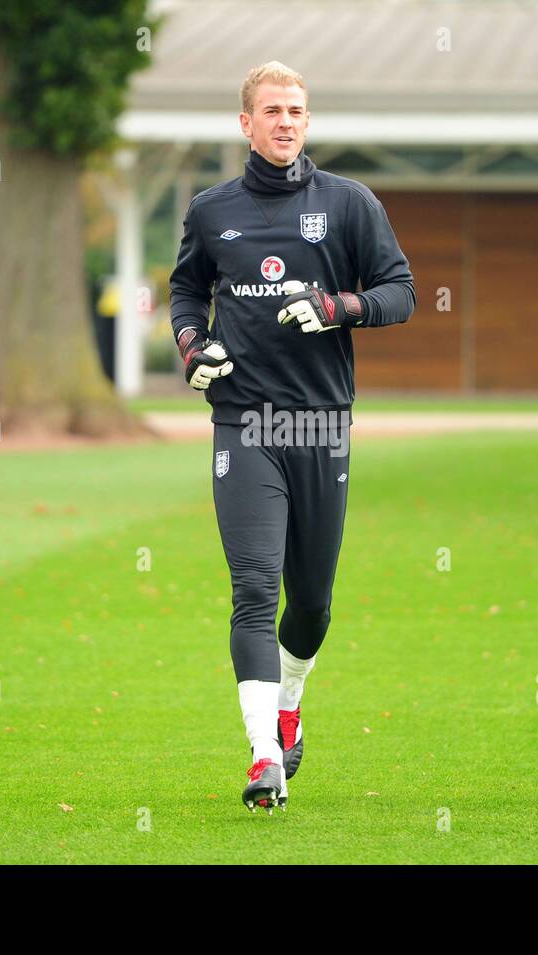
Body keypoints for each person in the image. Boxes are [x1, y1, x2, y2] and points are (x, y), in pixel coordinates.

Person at [168, 62, 415, 813]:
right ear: (245, 123)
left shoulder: (349, 203)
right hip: (243, 421)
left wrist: (340, 305)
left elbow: (400, 292)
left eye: (296, 110)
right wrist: (191, 347)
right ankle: (262, 755)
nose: (284, 121)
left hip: (320, 422)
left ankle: (291, 699)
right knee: (253, 589)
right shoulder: (212, 209)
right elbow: (185, 289)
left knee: (309, 604)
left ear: (308, 121)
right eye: (271, 110)